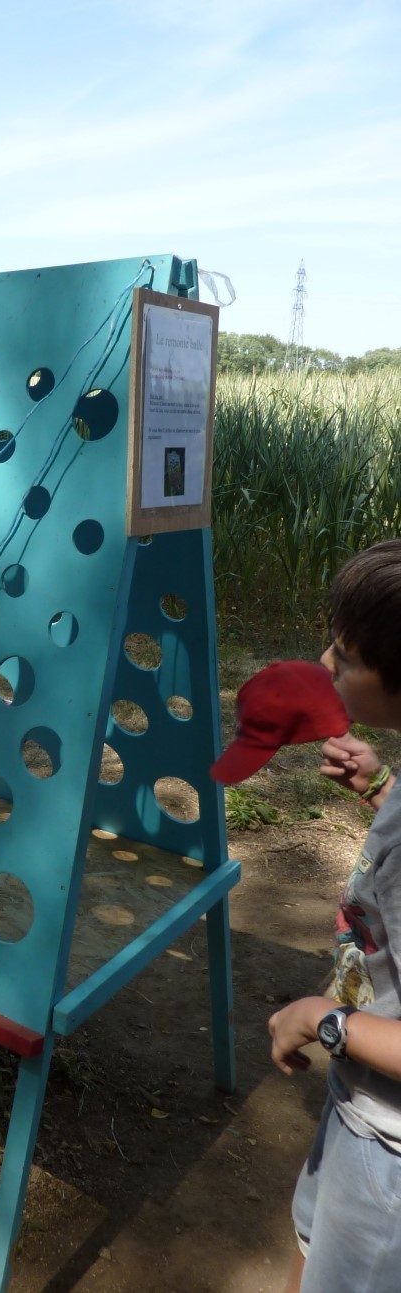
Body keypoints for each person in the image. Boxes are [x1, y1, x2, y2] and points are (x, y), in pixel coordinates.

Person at [267, 539, 401, 1293]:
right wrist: (382, 788)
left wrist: (325, 1020)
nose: (325, 662)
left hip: (388, 1155)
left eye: (347, 658)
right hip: (364, 1111)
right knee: (313, 1246)